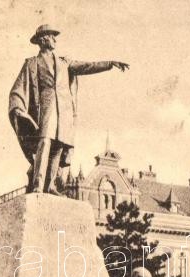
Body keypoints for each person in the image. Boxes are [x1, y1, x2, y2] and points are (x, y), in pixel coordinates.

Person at [9, 24, 129, 194]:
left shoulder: (64, 62)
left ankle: (50, 185)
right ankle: (38, 184)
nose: (55, 39)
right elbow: (17, 88)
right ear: (43, 39)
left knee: (58, 146)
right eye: (52, 36)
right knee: (44, 142)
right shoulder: (32, 63)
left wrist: (109, 64)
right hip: (46, 107)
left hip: (64, 110)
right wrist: (17, 107)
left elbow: (87, 66)